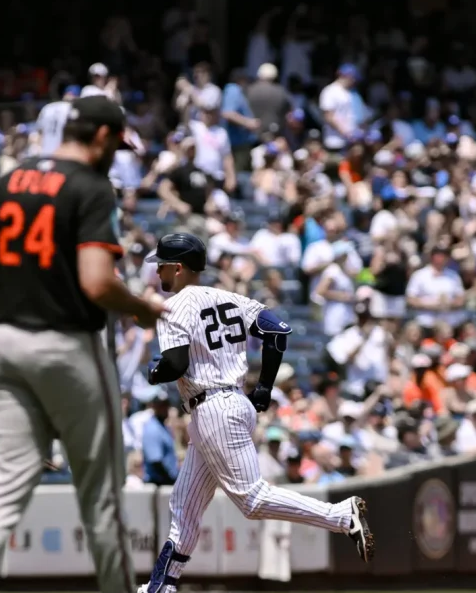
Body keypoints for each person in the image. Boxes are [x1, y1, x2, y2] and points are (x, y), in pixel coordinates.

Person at [0, 95, 165, 593]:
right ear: (101, 137)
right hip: (67, 346)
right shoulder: (91, 186)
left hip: (6, 343)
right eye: (117, 142)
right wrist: (142, 307)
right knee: (101, 499)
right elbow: (96, 283)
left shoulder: (12, 178)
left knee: (5, 490)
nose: (118, 152)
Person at [138, 232, 374, 593]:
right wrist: (263, 386)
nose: (158, 273)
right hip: (229, 403)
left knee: (252, 499)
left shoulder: (173, 306)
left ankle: (340, 516)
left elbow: (175, 363)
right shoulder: (229, 297)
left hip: (213, 407)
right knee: (183, 508)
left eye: (163, 266)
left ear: (179, 267)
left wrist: (155, 372)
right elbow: (278, 330)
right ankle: (161, 589)